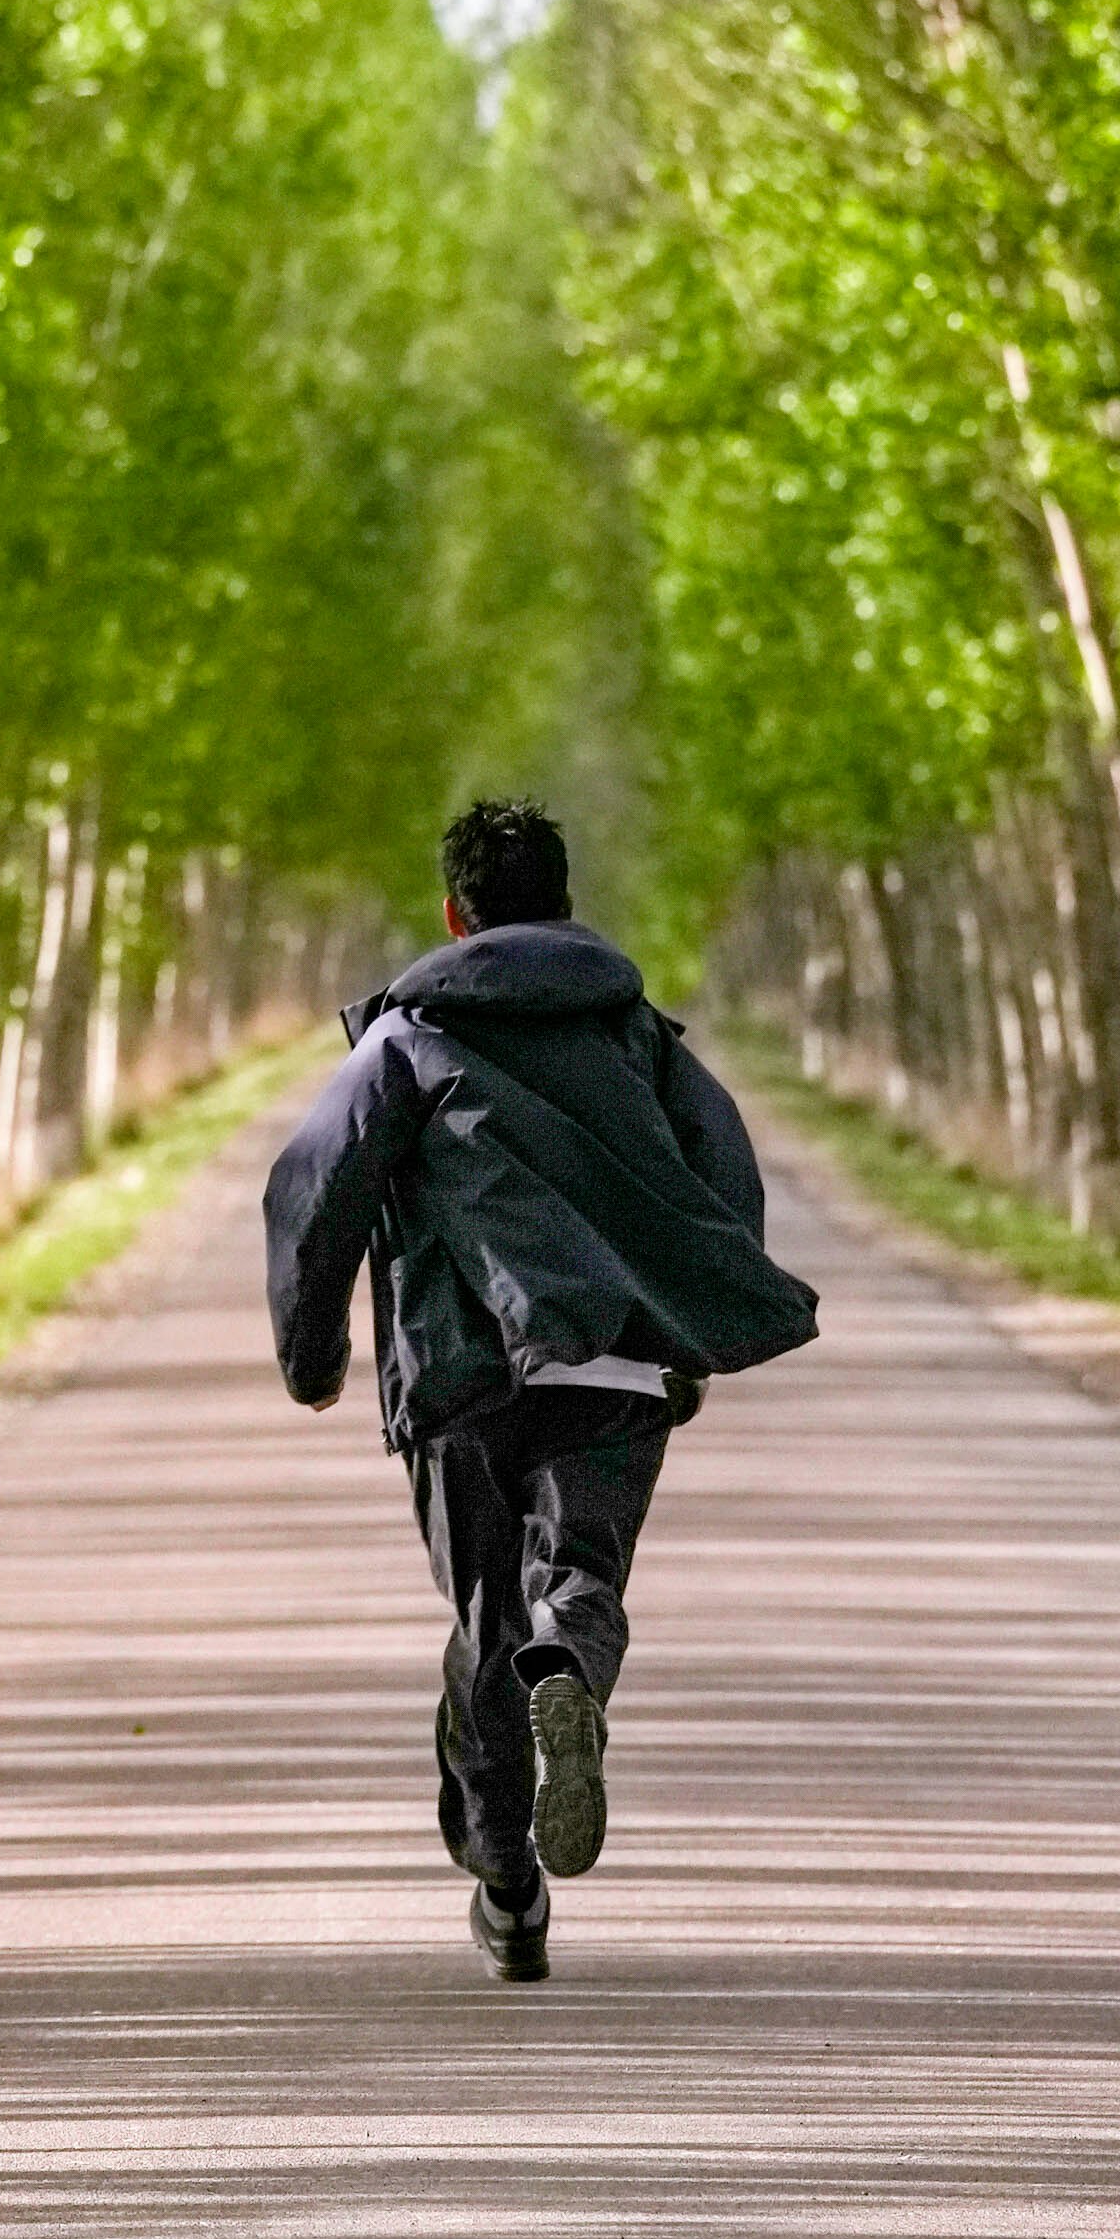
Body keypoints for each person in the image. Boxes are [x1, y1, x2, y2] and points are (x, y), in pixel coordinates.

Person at [263, 797, 818, 1982]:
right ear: (561, 907)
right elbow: (723, 1172)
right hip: (614, 1361)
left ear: (453, 915)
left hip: (461, 1377)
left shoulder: (405, 1042)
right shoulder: (639, 1036)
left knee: (481, 1624)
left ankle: (504, 1881)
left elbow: (314, 1192)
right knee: (576, 1583)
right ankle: (568, 1658)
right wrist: (693, 1320)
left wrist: (314, 1358)